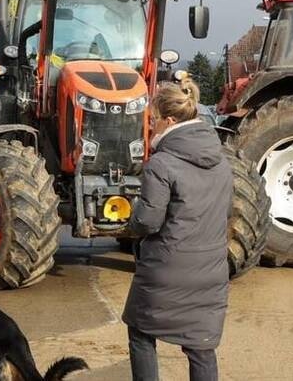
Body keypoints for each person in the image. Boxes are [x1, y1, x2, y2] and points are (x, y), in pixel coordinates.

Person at [122, 77, 232, 381]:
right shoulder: (222, 161)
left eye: (154, 119)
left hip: (166, 270)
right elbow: (225, 212)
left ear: (169, 121)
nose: (151, 126)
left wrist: (131, 219)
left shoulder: (162, 164)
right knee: (201, 347)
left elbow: (148, 221)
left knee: (140, 332)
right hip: (211, 271)